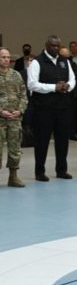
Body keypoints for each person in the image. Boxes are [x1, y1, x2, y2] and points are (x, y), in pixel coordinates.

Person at [27, 35, 75, 181]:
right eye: (53, 46)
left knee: (62, 141)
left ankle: (61, 170)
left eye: (58, 46)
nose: (56, 48)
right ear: (46, 45)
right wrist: (54, 87)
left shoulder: (64, 61)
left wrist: (68, 86)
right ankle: (39, 172)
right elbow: (32, 84)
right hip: (44, 109)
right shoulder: (37, 62)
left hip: (63, 108)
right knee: (42, 141)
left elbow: (72, 79)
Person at [0, 47, 28, 187]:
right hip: (0, 119)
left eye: (7, 57)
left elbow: (23, 95)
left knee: (15, 148)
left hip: (14, 118)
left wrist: (20, 110)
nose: (6, 59)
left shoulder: (16, 75)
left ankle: (13, 177)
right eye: (3, 57)